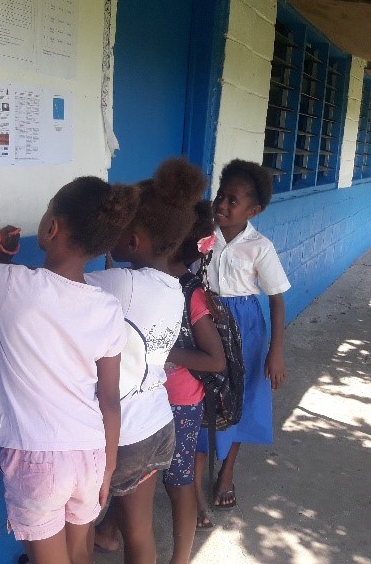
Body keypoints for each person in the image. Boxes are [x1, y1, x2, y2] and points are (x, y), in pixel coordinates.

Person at [0, 148, 140, 564]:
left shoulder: (12, 287)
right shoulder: (107, 306)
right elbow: (109, 400)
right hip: (91, 453)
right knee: (78, 554)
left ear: (51, 227)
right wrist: (108, 467)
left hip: (39, 457)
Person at [87, 157, 207, 564]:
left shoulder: (119, 283)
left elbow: (59, 284)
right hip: (158, 426)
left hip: (120, 435)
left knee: (78, 524)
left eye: (116, 230)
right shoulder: (174, 288)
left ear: (134, 241)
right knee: (138, 532)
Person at [193, 159, 290, 523]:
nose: (221, 205)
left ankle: (227, 471)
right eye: (220, 195)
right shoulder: (203, 236)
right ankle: (196, 488)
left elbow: (277, 299)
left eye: (232, 200)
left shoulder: (259, 247)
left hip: (246, 328)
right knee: (202, 400)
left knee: (241, 396)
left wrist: (275, 352)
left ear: (254, 210)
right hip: (204, 323)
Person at [163, 200, 226, 562]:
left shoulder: (192, 293)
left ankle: (181, 558)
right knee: (137, 476)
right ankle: (109, 531)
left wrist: (165, 352)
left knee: (178, 479)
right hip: (146, 398)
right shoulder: (140, 280)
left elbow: (215, 360)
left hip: (181, 402)